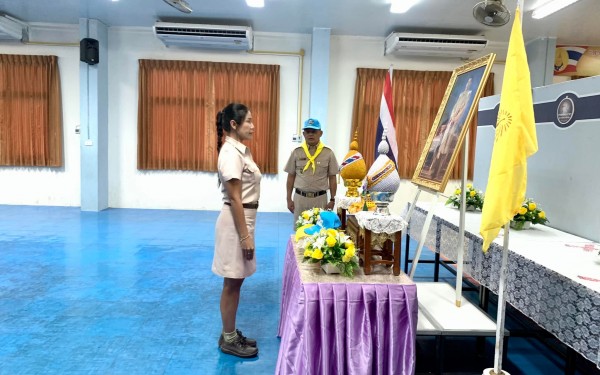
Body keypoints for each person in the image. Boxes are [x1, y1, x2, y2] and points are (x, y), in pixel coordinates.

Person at [213, 103, 261, 358]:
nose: (253, 126)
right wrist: (245, 236)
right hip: (235, 223)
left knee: (236, 281)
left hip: (243, 218)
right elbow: (234, 198)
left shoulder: (239, 150)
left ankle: (229, 332)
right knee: (232, 282)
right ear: (234, 124)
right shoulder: (231, 153)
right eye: (248, 121)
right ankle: (229, 338)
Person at [285, 118, 339, 229]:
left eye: (314, 131)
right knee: (300, 232)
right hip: (300, 199)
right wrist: (288, 199)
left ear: (320, 133)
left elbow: (332, 178)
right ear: (303, 133)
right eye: (308, 131)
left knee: (319, 233)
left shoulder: (328, 153)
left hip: (320, 199)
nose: (310, 134)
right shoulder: (296, 152)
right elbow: (291, 176)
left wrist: (333, 200)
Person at [430, 77, 473, 181]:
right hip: (450, 123)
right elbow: (455, 109)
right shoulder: (461, 94)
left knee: (446, 151)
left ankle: (438, 173)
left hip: (455, 125)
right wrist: (450, 120)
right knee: (439, 148)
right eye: (467, 82)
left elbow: (463, 109)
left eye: (470, 82)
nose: (468, 84)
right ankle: (433, 171)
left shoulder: (469, 95)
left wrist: (455, 119)